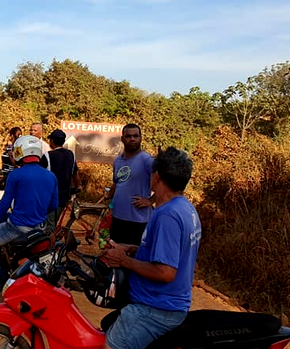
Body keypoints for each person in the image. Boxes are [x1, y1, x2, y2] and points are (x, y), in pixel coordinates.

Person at [103, 147, 202, 349]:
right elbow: (172, 252)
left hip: (155, 308)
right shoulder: (185, 208)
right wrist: (133, 249)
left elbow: (165, 272)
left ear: (157, 176)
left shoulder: (167, 216)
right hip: (166, 304)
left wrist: (123, 261)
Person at [0, 135, 58, 290]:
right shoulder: (51, 176)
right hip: (39, 228)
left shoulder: (16, 175)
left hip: (17, 227)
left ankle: (3, 279)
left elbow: (5, 202)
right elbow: (53, 204)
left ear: (21, 152)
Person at [108, 124, 154, 245]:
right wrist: (109, 196)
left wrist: (150, 200)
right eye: (128, 136)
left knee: (135, 255)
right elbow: (117, 183)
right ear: (122, 139)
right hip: (117, 219)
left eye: (135, 136)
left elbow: (165, 182)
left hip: (138, 221)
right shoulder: (118, 161)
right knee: (115, 253)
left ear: (141, 138)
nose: (132, 139)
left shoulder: (147, 160)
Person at [46, 129, 79, 226]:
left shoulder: (48, 155)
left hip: (50, 196)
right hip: (64, 196)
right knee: (53, 221)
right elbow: (75, 174)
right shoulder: (71, 155)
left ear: (52, 141)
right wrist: (78, 186)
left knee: (49, 225)